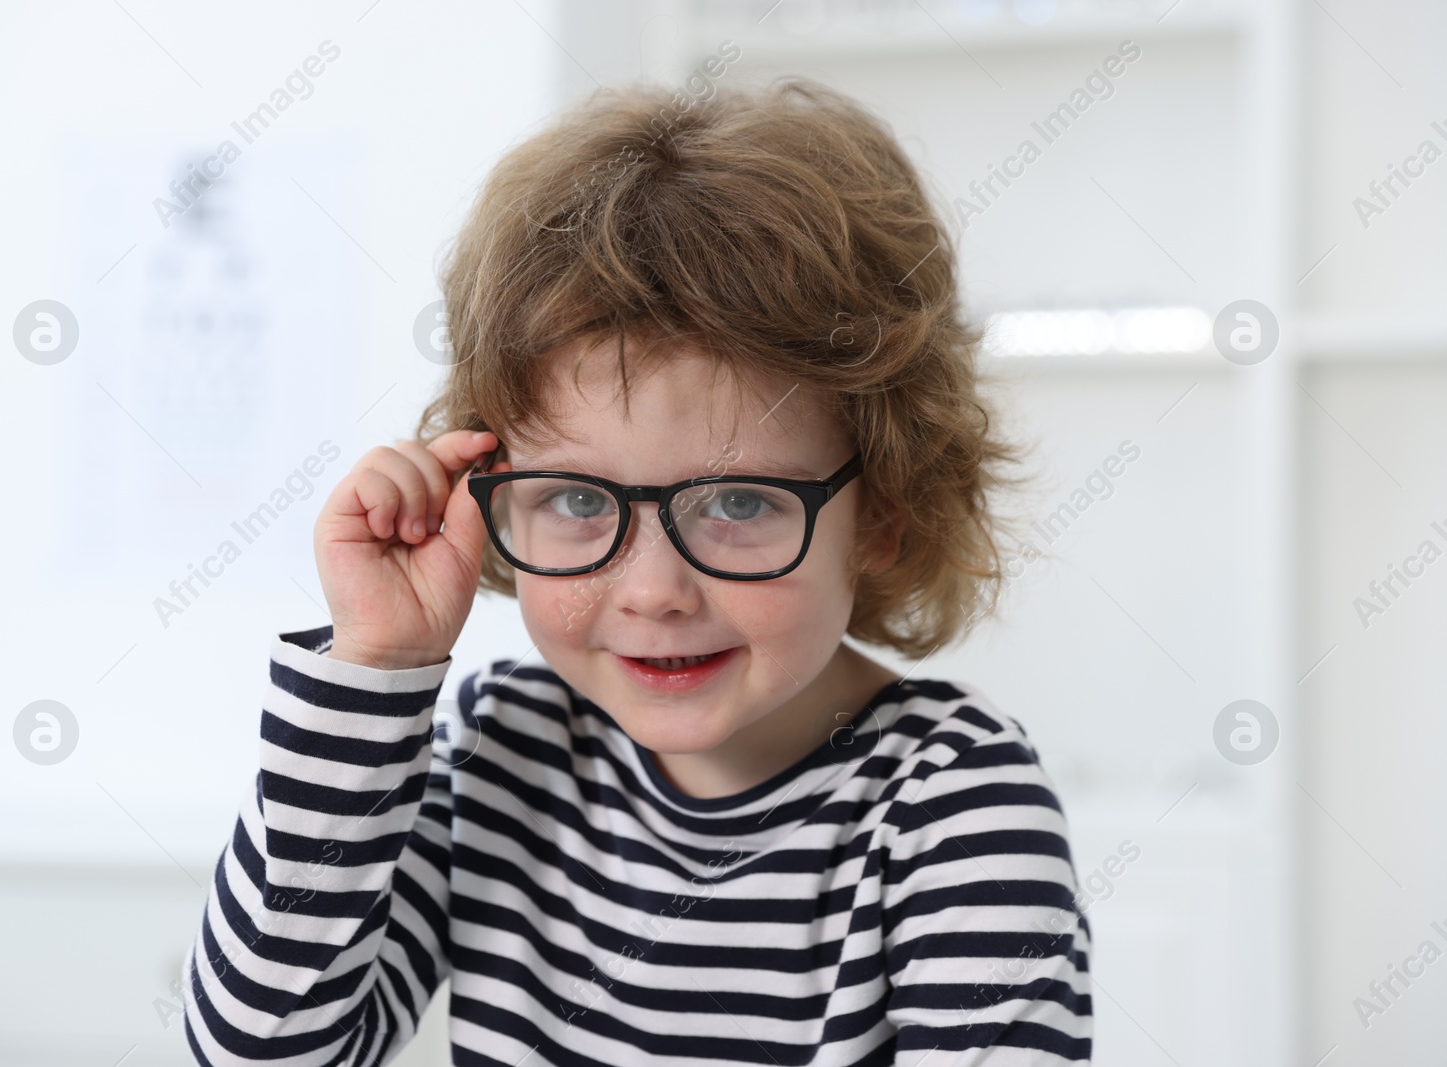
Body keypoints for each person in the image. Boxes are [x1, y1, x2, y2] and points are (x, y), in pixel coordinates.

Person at [180, 76, 1093, 1065]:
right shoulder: (504, 749)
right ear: (491, 495)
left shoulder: (951, 803)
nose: (653, 590)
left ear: (881, 510)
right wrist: (377, 667)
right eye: (578, 500)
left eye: (739, 503)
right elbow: (261, 1050)